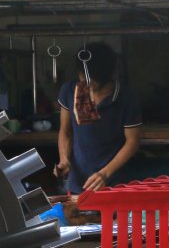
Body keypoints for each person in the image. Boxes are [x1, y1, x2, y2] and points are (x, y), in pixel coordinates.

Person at [55, 43, 142, 193]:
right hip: (79, 183)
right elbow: (65, 131)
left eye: (89, 78)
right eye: (81, 74)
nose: (83, 79)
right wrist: (64, 160)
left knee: (113, 216)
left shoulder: (126, 98)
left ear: (105, 76)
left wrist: (105, 173)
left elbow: (132, 142)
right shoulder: (70, 90)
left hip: (115, 183)